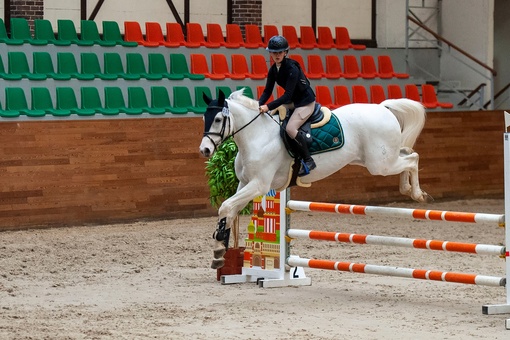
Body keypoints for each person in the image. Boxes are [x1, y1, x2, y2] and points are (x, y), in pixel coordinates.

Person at [258, 35, 317, 176]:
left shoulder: (292, 68)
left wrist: (268, 106)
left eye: (280, 52)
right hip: (292, 102)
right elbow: (267, 91)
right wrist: (258, 105)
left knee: (290, 129)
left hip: (305, 102)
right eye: (274, 52)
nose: (277, 55)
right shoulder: (273, 70)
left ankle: (308, 160)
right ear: (270, 53)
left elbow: (287, 95)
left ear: (285, 52)